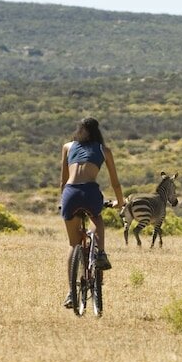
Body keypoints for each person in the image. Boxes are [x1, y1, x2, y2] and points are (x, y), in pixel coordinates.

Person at [60, 117, 125, 308]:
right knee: (96, 217)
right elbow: (115, 183)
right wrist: (119, 202)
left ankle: (72, 292)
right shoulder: (104, 150)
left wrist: (62, 201)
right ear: (98, 132)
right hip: (90, 191)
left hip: (70, 193)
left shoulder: (67, 147)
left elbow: (63, 181)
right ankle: (101, 254)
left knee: (73, 245)